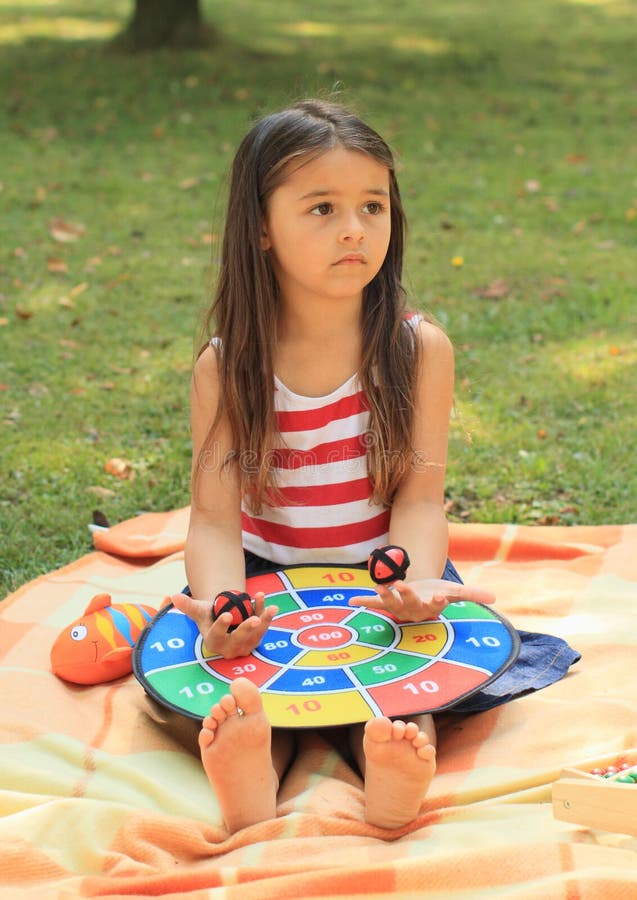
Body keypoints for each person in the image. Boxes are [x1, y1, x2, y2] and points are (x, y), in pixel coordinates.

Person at [169, 99, 523, 833]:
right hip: (266, 579)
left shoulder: (419, 349)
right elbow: (212, 519)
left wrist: (418, 583)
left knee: (410, 686)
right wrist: (228, 606)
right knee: (240, 684)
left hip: (382, 576)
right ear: (261, 227)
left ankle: (397, 772)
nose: (355, 228)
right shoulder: (228, 365)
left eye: (372, 205)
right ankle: (247, 778)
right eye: (322, 208)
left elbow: (421, 502)